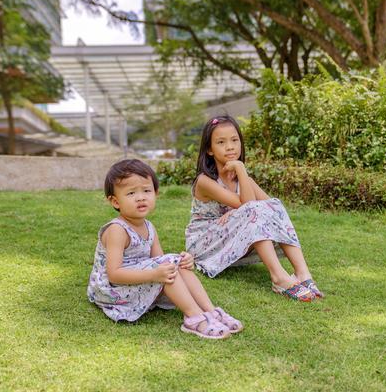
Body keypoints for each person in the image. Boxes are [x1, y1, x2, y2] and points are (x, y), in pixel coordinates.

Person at [87, 159, 242, 339]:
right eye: (131, 193)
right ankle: (194, 318)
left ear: (155, 193)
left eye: (146, 191)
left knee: (175, 264)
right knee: (168, 266)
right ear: (115, 201)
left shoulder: (149, 227)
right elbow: (114, 274)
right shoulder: (117, 230)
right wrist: (155, 274)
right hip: (112, 290)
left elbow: (160, 260)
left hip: (138, 280)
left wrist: (183, 262)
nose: (141, 197)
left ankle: (211, 311)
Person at [186, 115, 324, 302]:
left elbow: (272, 210)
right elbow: (251, 207)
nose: (230, 146)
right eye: (221, 142)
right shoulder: (205, 181)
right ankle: (279, 278)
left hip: (230, 238)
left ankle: (303, 274)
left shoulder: (245, 182)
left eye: (235, 140)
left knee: (274, 205)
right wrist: (241, 169)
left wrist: (239, 204)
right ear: (209, 149)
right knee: (253, 210)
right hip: (204, 243)